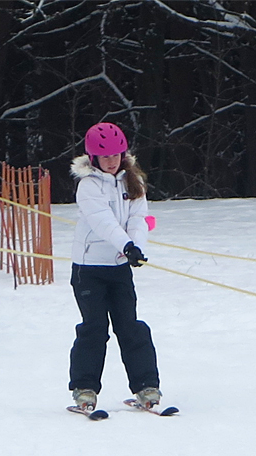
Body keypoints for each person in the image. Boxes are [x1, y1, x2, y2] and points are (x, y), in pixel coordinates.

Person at [67, 122, 161, 412]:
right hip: (89, 269)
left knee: (130, 327)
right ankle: (85, 389)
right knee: (94, 328)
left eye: (116, 155)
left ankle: (146, 387)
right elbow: (103, 221)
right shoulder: (88, 186)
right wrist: (127, 246)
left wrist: (137, 246)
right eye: (104, 156)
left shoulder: (133, 182)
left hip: (119, 268)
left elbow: (138, 217)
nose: (111, 161)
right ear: (93, 158)